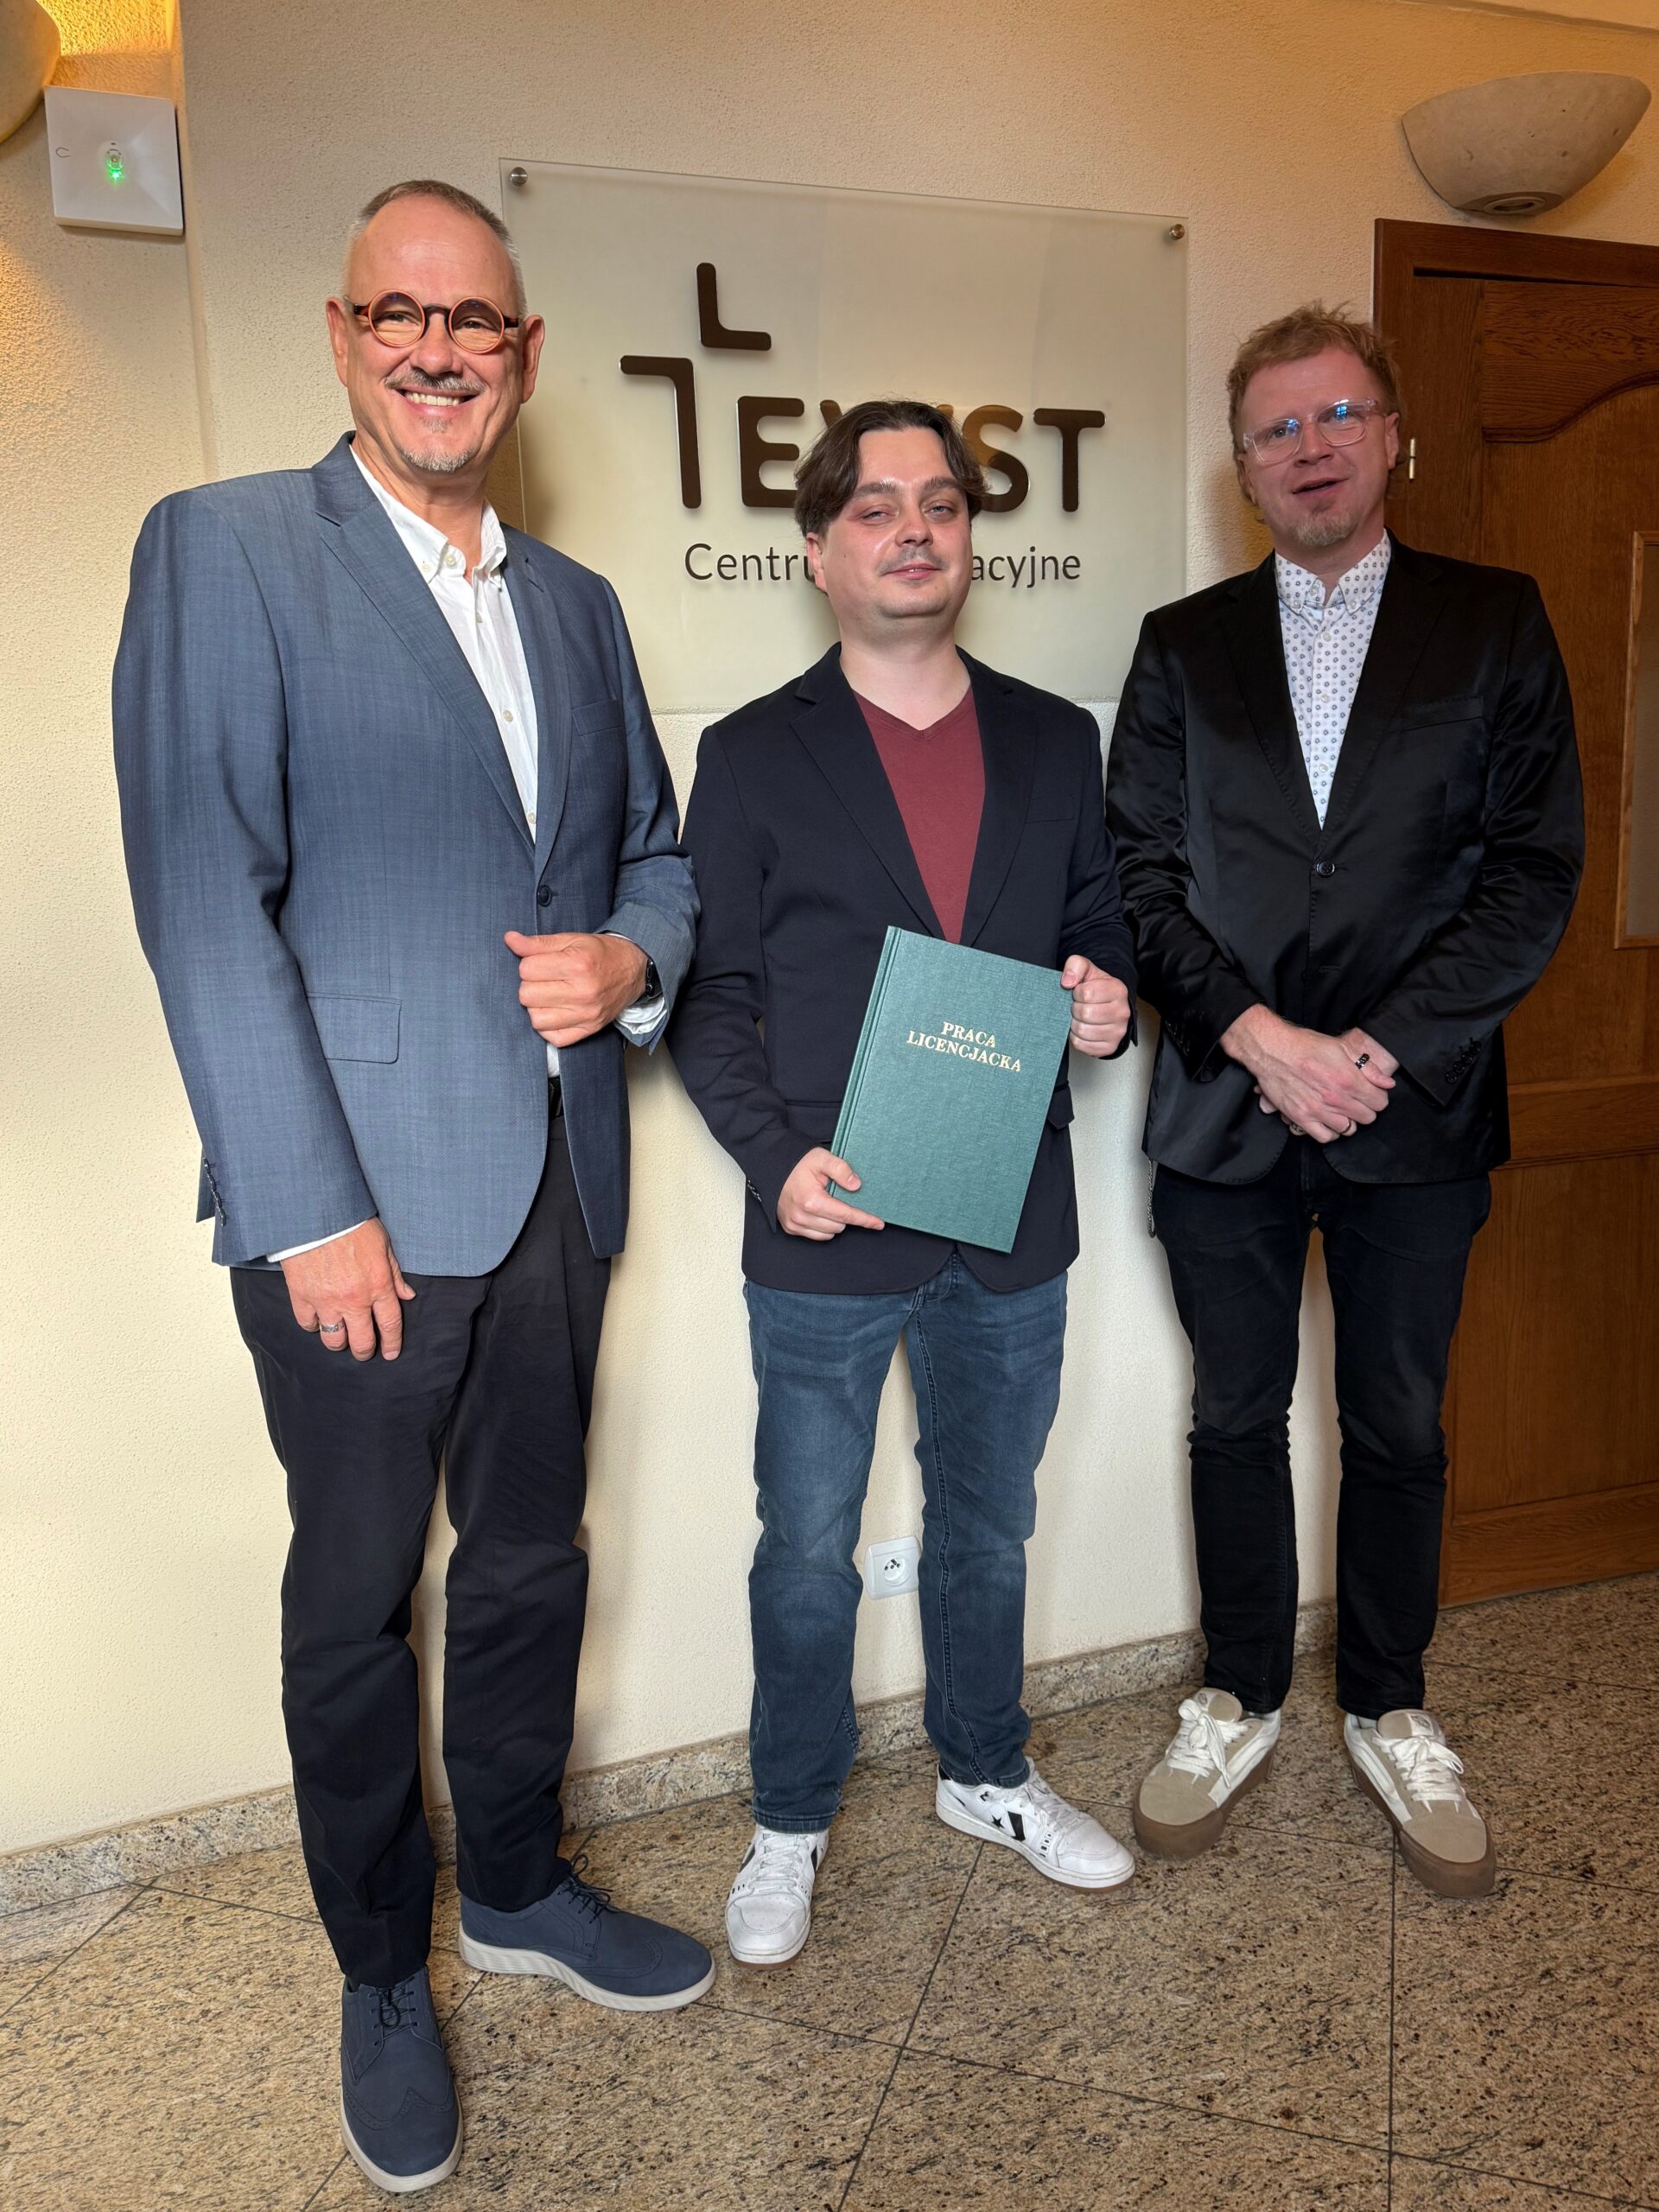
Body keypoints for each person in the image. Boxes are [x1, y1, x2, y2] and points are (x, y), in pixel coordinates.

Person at [115, 180, 707, 2195]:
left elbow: (657, 857)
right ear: (345, 333)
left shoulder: (581, 606)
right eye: (401, 313)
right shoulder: (226, 549)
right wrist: (309, 1205)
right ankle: (382, 1965)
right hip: (356, 1206)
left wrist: (628, 963)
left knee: (533, 1556)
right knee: (359, 1593)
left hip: (558, 1179)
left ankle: (518, 1885)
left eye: (476, 321)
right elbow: (205, 901)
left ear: (523, 356)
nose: (439, 349)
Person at [1106, 305, 1583, 1899]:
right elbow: (1140, 875)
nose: (1308, 448)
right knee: (1233, 1415)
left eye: (1336, 417)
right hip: (1221, 1107)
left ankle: (1389, 1702)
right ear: (1242, 466)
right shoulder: (1183, 646)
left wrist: (1372, 1050)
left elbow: (1533, 874)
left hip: (1415, 1111)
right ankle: (1238, 1694)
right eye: (1275, 429)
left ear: (1394, 437)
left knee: (1397, 1424)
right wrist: (1261, 1039)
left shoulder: (1494, 623)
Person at [670, 398, 1140, 1968]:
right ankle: (790, 1817)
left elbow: (1098, 927)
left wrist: (1105, 997)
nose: (914, 531)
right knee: (805, 1544)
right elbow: (714, 998)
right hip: (830, 1218)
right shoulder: (749, 755)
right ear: (818, 550)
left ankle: (987, 1773)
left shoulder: (1054, 739)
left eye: (939, 503)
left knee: (988, 1527)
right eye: (874, 508)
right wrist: (773, 1161)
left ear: (969, 536)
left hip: (1010, 1219)